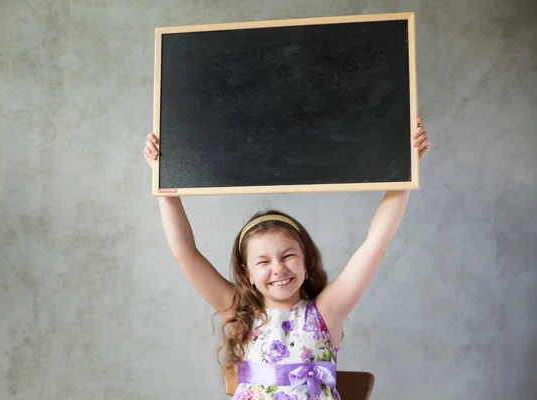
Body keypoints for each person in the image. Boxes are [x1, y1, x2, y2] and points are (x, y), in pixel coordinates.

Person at [143, 118, 430, 400]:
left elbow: (375, 244)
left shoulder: (326, 313)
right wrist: (164, 181)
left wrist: (407, 170)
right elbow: (186, 254)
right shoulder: (241, 313)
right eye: (263, 261)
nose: (278, 268)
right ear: (247, 274)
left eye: (288, 255)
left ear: (306, 262)